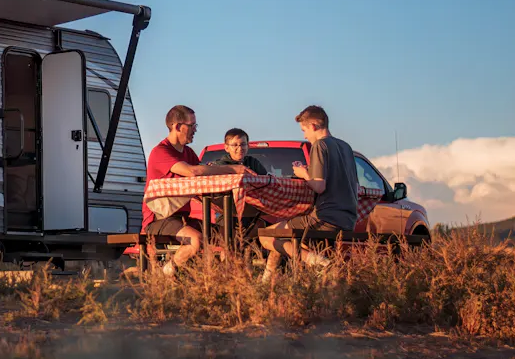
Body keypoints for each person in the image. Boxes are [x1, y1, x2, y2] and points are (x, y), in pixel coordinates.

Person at [142, 105, 246, 276]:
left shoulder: (188, 152)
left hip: (181, 217)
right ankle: (165, 272)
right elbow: (192, 171)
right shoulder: (161, 152)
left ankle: (222, 277)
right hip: (158, 218)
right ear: (177, 126)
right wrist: (234, 169)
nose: (195, 130)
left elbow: (202, 176)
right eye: (192, 126)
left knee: (227, 235)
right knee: (195, 239)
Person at [262, 105, 360, 281]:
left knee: (266, 236)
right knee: (281, 237)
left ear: (313, 126)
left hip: (325, 218)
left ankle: (321, 263)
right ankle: (266, 283)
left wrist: (303, 174)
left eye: (304, 130)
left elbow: (319, 186)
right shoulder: (345, 147)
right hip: (349, 218)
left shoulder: (320, 145)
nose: (304, 136)